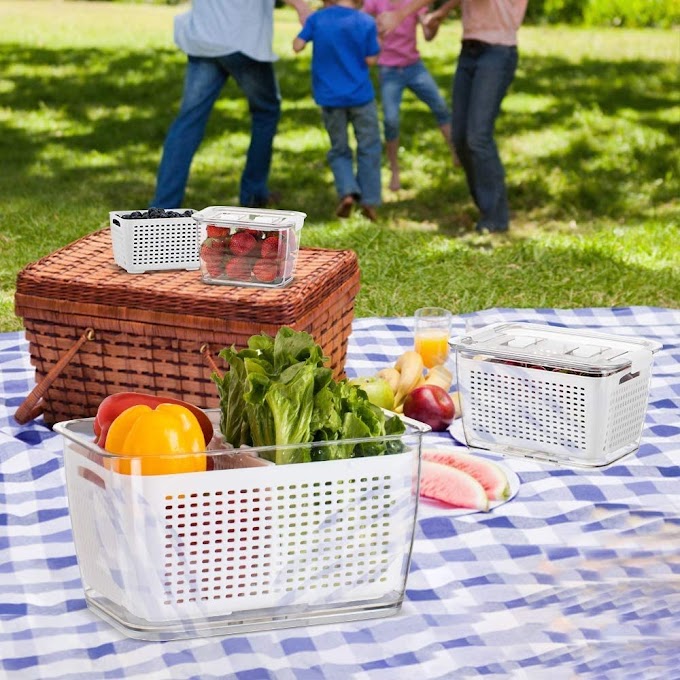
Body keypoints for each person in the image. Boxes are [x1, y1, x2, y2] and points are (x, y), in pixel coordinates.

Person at [379, 0, 528, 233]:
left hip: (497, 51)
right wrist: (442, 12)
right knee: (459, 137)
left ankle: (496, 218)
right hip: (470, 49)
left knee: (478, 136)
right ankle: (486, 208)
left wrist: (400, 14)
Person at [150, 0, 311, 210]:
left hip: (204, 37)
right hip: (241, 41)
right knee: (266, 110)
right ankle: (253, 194)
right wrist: (303, 8)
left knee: (189, 120)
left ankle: (163, 206)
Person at [293, 0, 382, 221]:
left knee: (339, 148)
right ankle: (369, 200)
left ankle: (347, 192)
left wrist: (305, 27)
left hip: (330, 98)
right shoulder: (366, 21)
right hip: (361, 96)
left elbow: (297, 46)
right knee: (368, 146)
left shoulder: (317, 19)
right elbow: (371, 59)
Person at [363, 0, 459, 192]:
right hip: (389, 70)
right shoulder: (374, 2)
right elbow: (362, 25)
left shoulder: (413, 2)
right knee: (390, 120)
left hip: (414, 67)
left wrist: (434, 24)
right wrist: (375, 35)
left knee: (440, 106)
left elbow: (428, 35)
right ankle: (394, 171)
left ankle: (456, 153)